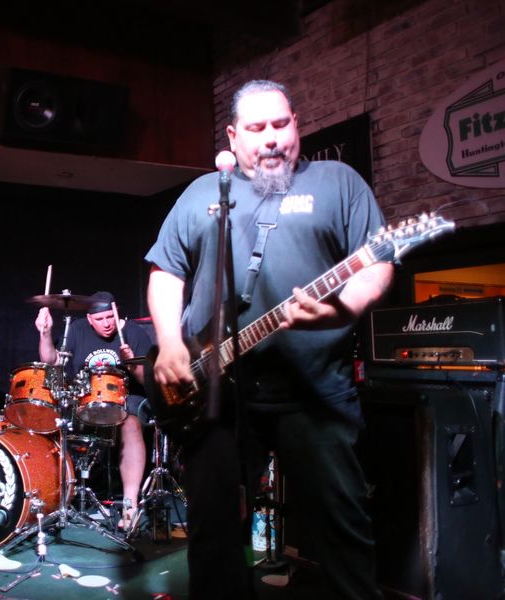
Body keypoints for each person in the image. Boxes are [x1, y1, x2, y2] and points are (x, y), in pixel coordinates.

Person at [145, 80, 393, 599]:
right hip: (216, 394)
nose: (272, 138)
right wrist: (169, 341)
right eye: (257, 128)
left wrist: (342, 307)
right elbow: (166, 272)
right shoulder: (203, 192)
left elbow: (376, 263)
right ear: (233, 137)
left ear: (296, 124)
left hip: (314, 389)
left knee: (341, 526)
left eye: (281, 124)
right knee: (214, 533)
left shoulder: (337, 183)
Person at [35, 291, 152, 530]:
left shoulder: (134, 333)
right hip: (85, 397)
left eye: (110, 317)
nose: (107, 323)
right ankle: (55, 497)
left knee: (131, 421)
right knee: (55, 416)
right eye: (100, 319)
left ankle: (130, 504)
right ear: (90, 319)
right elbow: (52, 361)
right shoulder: (77, 330)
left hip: (126, 397)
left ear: (116, 312)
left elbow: (146, 380)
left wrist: (131, 362)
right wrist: (45, 333)